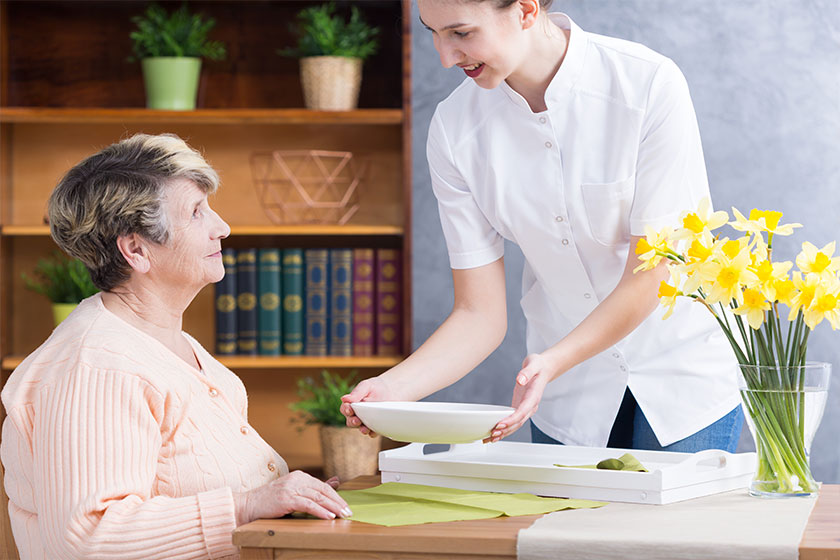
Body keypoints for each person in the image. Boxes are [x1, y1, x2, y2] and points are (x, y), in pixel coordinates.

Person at [342, 0, 744, 453]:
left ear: (527, 10)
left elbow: (652, 273)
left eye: (461, 33)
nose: (444, 56)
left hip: (682, 385)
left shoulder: (646, 84)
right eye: (432, 32)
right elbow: (479, 313)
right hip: (569, 402)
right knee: (562, 528)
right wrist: (393, 389)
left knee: (675, 527)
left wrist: (553, 362)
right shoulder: (455, 130)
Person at [0, 133, 351, 560]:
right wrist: (247, 507)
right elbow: (90, 538)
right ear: (135, 249)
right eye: (196, 212)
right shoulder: (97, 365)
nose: (222, 227)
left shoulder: (173, 346)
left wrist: (287, 503)